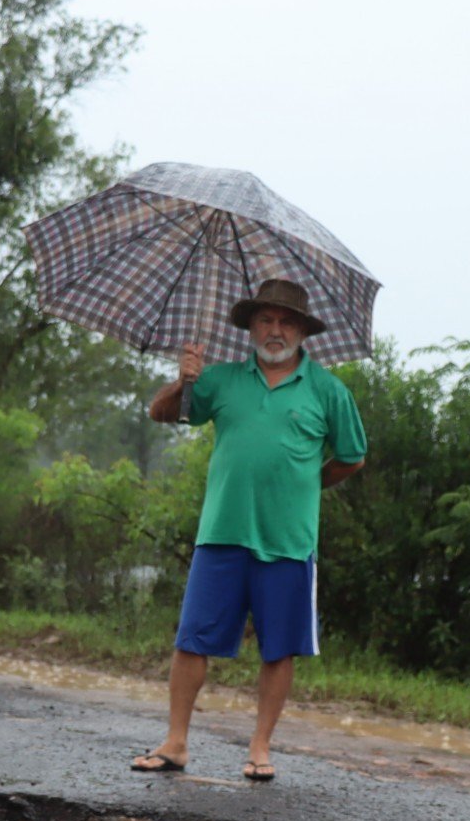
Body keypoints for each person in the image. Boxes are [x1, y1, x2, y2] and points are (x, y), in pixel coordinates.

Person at [131, 278, 367, 782]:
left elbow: (351, 456)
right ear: (250, 327)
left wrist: (307, 485)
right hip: (222, 532)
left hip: (288, 540)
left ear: (303, 331)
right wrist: (183, 380)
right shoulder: (220, 380)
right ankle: (175, 743)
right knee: (192, 638)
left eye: (286, 321)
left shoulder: (329, 390)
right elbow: (162, 413)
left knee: (279, 646)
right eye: (265, 320)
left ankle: (259, 748)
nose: (275, 329)